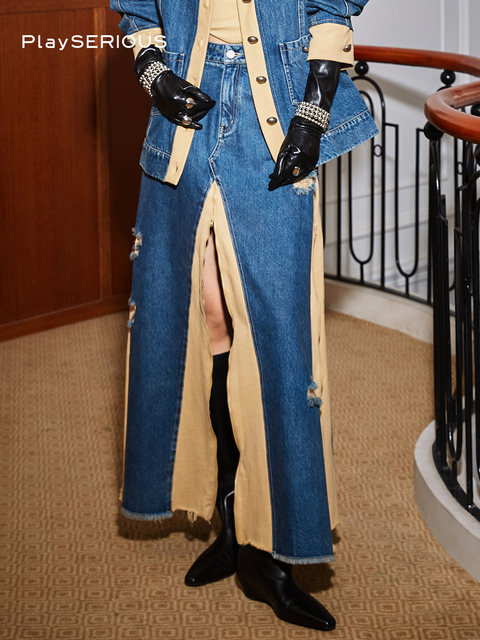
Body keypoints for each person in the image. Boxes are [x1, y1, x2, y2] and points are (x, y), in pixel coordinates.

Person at [110, 0, 376, 631]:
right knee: (205, 323)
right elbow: (137, 17)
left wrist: (312, 115)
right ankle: (234, 525)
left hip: (274, 115)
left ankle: (269, 551)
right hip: (186, 119)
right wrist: (157, 76)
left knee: (277, 334)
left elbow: (330, 12)